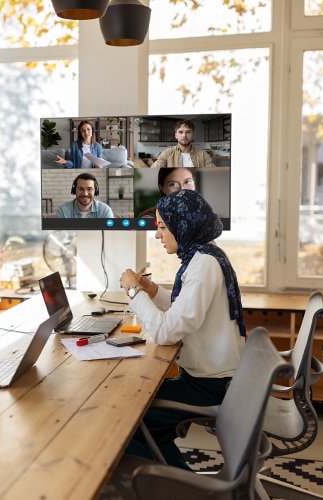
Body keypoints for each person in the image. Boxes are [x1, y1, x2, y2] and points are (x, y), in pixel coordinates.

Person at [119, 189, 246, 468]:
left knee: (126, 420)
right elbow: (185, 312)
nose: (157, 235)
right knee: (147, 419)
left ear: (183, 225)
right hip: (211, 379)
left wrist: (132, 292)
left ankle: (173, 486)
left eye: (162, 227)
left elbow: (165, 332)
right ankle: (179, 482)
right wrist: (150, 290)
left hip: (210, 387)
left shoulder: (203, 265)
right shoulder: (204, 256)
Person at [151, 119, 215, 168]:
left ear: (192, 135)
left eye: (188, 132)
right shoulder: (167, 153)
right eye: (181, 132)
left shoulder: (203, 154)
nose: (184, 135)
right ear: (176, 135)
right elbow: (153, 171)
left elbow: (213, 174)